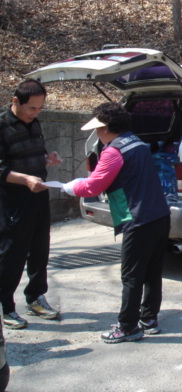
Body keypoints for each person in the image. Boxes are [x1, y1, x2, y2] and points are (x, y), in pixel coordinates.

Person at [62, 102, 170, 344]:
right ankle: (149, 319)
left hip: (138, 219)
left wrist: (68, 187)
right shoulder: (136, 142)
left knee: (131, 276)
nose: (97, 134)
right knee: (152, 272)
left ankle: (128, 325)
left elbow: (93, 186)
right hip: (159, 215)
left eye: (98, 128)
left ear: (107, 128)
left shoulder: (114, 151)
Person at [0, 79, 62, 330]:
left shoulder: (33, 123)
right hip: (13, 200)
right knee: (12, 253)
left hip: (39, 194)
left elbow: (32, 153)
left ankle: (35, 297)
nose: (35, 114)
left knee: (40, 248)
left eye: (39, 109)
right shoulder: (2, 125)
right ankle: (6, 306)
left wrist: (48, 159)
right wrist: (25, 179)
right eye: (31, 109)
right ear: (16, 102)